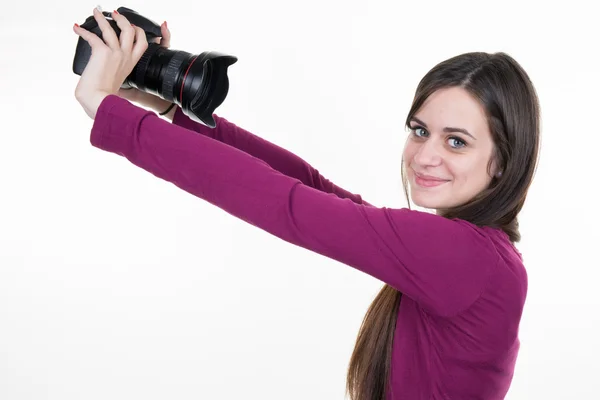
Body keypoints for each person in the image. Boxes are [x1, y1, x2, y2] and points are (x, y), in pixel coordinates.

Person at [73, 8, 541, 400]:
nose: (426, 156)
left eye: (456, 142)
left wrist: (108, 111)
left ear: (502, 162)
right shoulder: (481, 256)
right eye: (420, 130)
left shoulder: (468, 256)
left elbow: (288, 204)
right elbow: (312, 188)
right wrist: (168, 104)